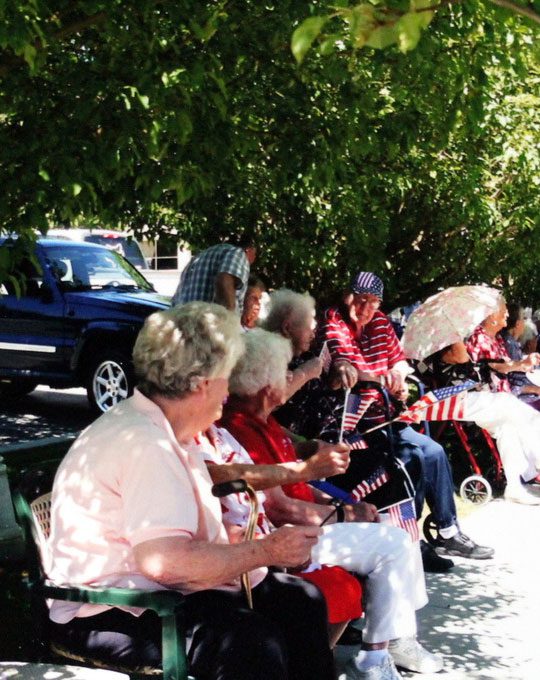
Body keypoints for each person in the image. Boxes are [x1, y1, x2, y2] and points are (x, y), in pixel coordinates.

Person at [47, 302, 334, 680]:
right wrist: (265, 550)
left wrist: (234, 542)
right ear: (202, 385)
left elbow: (177, 531)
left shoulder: (165, 430)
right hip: (107, 610)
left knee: (300, 602)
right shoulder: (147, 444)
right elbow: (166, 564)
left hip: (153, 591)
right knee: (249, 641)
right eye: (226, 378)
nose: (228, 391)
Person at [222, 328, 444, 680]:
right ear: (266, 385)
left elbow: (302, 484)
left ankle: (398, 637)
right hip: (286, 537)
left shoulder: (266, 423)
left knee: (396, 526)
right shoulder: (241, 428)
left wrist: (338, 500)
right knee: (395, 543)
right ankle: (375, 657)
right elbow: (279, 509)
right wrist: (344, 513)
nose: (291, 381)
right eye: (285, 373)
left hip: (303, 527)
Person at [314, 272, 494, 567]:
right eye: (361, 300)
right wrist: (382, 379)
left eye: (374, 302)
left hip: (384, 417)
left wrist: (398, 374)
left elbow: (399, 359)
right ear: (347, 296)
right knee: (410, 459)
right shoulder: (335, 321)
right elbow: (343, 368)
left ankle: (447, 530)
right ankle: (412, 542)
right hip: (350, 424)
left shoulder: (381, 322)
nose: (367, 308)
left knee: (434, 452)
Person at [417, 340, 540, 505]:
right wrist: (459, 339)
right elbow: (462, 358)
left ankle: (514, 487)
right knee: (511, 405)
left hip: (472, 397)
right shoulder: (445, 345)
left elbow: (485, 365)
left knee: (507, 427)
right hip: (455, 399)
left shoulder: (455, 341)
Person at [171, 235, 257, 313]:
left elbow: (175, 299)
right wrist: (230, 319)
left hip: (182, 322)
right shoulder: (238, 253)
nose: (254, 258)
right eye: (255, 254)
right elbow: (224, 280)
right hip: (207, 325)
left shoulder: (198, 257)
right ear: (248, 250)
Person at [500, 302, 540, 410]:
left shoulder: (509, 340)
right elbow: (513, 386)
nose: (525, 322)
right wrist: (536, 389)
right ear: (517, 323)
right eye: (523, 318)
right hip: (522, 400)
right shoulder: (509, 344)